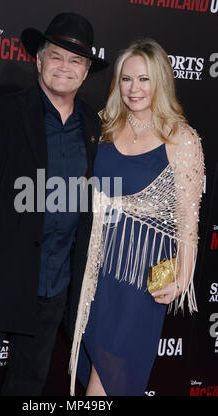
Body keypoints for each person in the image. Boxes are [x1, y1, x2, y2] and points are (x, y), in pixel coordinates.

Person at [0, 12, 108, 396]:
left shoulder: (93, 126)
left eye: (75, 61)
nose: (64, 67)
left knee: (28, 384)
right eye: (56, 56)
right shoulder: (6, 112)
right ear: (38, 60)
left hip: (55, 284)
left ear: (85, 73)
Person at [69, 38, 205, 396]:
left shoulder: (182, 140)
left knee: (110, 375)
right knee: (98, 369)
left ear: (160, 81)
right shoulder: (103, 127)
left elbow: (188, 224)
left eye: (144, 79)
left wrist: (182, 279)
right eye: (126, 79)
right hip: (95, 270)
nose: (134, 89)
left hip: (139, 277)